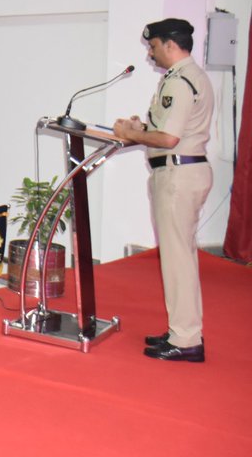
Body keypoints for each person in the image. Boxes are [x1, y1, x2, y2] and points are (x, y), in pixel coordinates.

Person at [112, 18, 214, 363]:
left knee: (177, 260)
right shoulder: (190, 77)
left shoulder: (180, 81)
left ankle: (186, 339)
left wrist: (131, 134)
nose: (151, 54)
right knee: (179, 258)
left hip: (177, 175)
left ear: (170, 44)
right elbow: (170, 130)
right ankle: (181, 331)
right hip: (183, 171)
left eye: (153, 46)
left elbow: (168, 139)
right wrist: (141, 128)